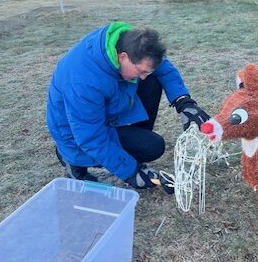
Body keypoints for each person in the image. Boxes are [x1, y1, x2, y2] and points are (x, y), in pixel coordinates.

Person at [47, 21, 209, 190]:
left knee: (152, 79)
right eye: (140, 71)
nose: (143, 77)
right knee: (152, 147)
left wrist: (183, 101)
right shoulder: (83, 82)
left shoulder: (131, 43)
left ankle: (134, 144)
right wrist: (131, 172)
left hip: (102, 108)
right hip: (75, 132)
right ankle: (71, 159)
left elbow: (162, 67)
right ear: (123, 57)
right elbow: (90, 137)